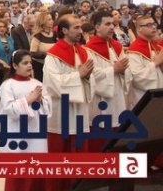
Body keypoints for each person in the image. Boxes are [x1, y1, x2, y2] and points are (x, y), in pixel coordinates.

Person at [43, 15, 95, 191]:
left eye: (81, 27)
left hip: (80, 110)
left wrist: (87, 77)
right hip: (61, 111)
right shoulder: (53, 55)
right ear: (64, 30)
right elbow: (52, 83)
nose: (81, 31)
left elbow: (90, 79)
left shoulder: (82, 52)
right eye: (76, 28)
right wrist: (79, 75)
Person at [0, 49, 52, 191]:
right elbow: (9, 109)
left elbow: (48, 107)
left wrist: (41, 100)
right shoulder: (7, 85)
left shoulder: (37, 83)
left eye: (30, 63)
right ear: (15, 65)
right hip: (17, 132)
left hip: (36, 131)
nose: (29, 66)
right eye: (25, 63)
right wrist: (28, 100)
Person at [83, 11, 131, 152]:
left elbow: (128, 71)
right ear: (97, 27)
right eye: (107, 24)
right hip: (99, 102)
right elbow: (91, 74)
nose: (111, 27)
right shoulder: (88, 49)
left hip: (118, 98)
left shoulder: (118, 47)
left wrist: (123, 71)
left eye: (113, 24)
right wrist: (114, 69)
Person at [126, 14, 163, 108]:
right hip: (142, 97)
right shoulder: (134, 51)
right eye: (149, 25)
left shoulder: (156, 47)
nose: (154, 27)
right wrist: (155, 63)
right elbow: (136, 77)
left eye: (154, 24)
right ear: (139, 29)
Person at [30, 11, 57, 82]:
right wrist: (47, 55)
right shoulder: (37, 36)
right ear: (43, 22)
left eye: (51, 19)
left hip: (52, 66)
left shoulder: (55, 35)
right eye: (49, 20)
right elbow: (32, 53)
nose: (52, 21)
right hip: (39, 66)